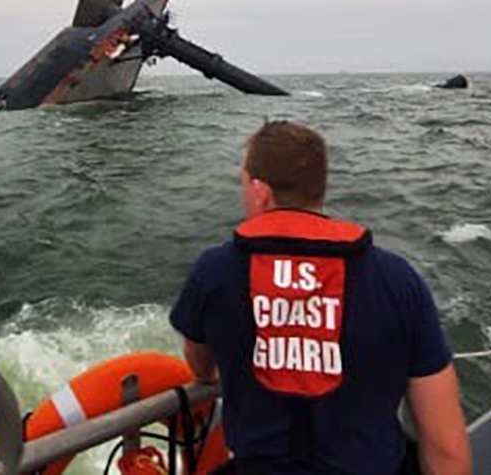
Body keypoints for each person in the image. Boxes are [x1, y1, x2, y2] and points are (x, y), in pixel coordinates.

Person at [170, 120, 471, 475]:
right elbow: (446, 449)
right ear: (319, 189)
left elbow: (200, 364)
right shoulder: (399, 280)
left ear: (260, 191)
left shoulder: (214, 272)